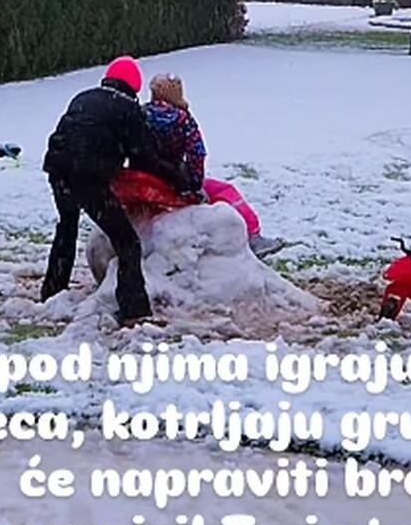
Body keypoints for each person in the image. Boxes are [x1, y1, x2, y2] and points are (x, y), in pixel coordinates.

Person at [41, 56, 158, 327]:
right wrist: (175, 175)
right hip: (88, 177)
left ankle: (52, 291)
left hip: (57, 170)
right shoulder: (127, 107)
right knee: (127, 242)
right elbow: (143, 155)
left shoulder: (84, 97)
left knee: (66, 228)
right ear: (134, 86)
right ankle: (134, 309)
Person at [123, 74, 284, 258]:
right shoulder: (182, 120)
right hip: (173, 183)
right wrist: (194, 184)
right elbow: (196, 154)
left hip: (144, 181)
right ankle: (254, 236)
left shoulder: (138, 116)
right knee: (225, 191)